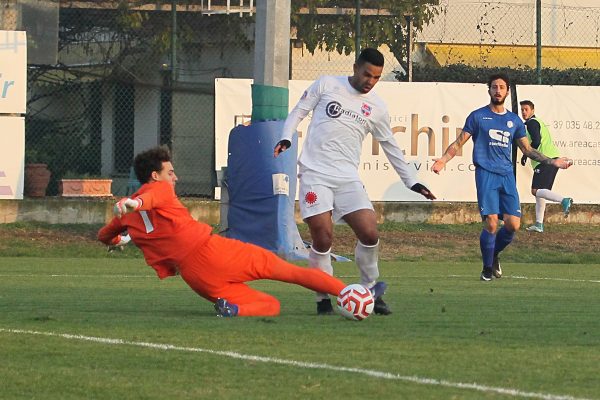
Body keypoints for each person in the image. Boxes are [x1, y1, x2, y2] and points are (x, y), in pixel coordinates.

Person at [98, 146, 372, 317]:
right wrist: (134, 203)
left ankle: (234, 310)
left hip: (195, 277)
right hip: (213, 252)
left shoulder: (127, 216)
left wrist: (121, 236)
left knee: (269, 306)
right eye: (170, 172)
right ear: (155, 176)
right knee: (287, 271)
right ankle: (349, 292)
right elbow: (150, 198)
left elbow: (103, 236)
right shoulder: (157, 190)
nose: (175, 177)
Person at [274, 48, 436, 315]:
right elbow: (298, 112)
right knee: (323, 237)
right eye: (366, 74)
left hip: (347, 179)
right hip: (315, 175)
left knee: (370, 232)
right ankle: (322, 296)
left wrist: (412, 182)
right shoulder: (327, 84)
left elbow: (390, 145)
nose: (370, 82)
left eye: (376, 77)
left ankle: (370, 290)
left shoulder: (377, 107)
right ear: (355, 68)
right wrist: (286, 137)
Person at [431, 73, 572, 281]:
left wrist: (553, 161)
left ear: (507, 91)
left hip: (506, 176)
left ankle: (494, 254)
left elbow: (527, 149)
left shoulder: (514, 120)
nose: (498, 90)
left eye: (502, 87)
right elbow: (459, 142)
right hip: (485, 174)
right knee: (491, 223)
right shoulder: (477, 116)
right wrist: (443, 160)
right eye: (494, 87)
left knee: (513, 224)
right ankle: (487, 269)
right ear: (489, 90)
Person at [519, 100, 573, 233]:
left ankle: (564, 200)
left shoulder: (532, 123)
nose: (524, 112)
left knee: (535, 190)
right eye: (522, 110)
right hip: (551, 159)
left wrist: (526, 154)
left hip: (545, 161)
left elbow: (536, 140)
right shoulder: (538, 122)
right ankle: (539, 224)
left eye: (526, 109)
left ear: (532, 110)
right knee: (541, 193)